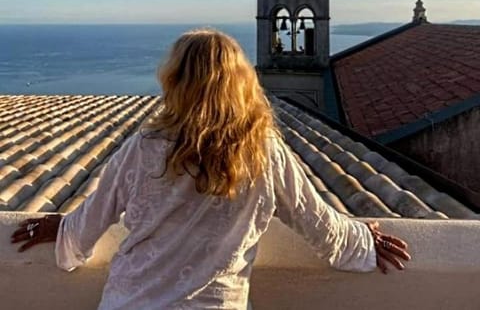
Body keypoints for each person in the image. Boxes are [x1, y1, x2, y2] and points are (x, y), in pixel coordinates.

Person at [11, 29, 410, 309]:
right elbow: (322, 229)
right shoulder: (263, 152)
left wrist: (60, 232)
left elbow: (82, 234)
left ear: (175, 82)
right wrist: (363, 239)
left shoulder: (143, 147)